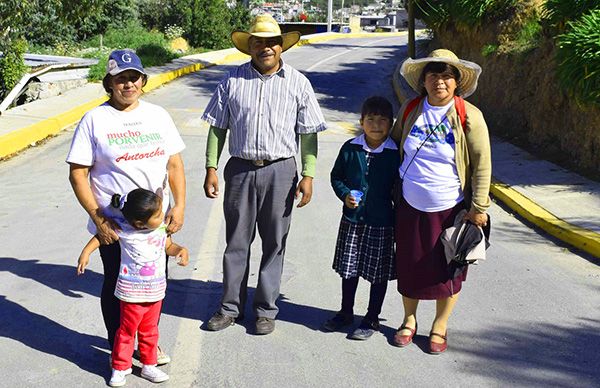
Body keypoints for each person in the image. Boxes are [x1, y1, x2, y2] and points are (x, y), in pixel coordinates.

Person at [202, 13, 326, 335]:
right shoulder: (232, 81)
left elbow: (308, 134)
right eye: (259, 42)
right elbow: (218, 129)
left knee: (274, 243)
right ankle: (230, 308)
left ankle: (266, 310)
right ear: (250, 47)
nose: (266, 48)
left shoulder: (298, 83)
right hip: (241, 170)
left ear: (281, 47)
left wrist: (308, 174)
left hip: (281, 171)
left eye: (272, 42)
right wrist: (211, 167)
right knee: (236, 242)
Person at [67, 49, 186, 363]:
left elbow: (174, 164)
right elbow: (77, 173)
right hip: (115, 225)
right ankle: (118, 344)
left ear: (143, 80)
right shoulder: (94, 120)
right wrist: (98, 218)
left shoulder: (158, 115)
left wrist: (180, 205)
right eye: (121, 78)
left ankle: (147, 344)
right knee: (116, 285)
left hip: (153, 223)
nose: (128, 84)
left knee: (152, 283)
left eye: (134, 77)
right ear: (110, 82)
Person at [390, 49, 491, 354]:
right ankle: (409, 319)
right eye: (433, 74)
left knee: (450, 269)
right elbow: (394, 146)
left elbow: (482, 162)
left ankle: (440, 324)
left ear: (457, 81)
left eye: (447, 74)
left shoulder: (469, 115)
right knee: (409, 266)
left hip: (451, 208)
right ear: (423, 80)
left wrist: (479, 207)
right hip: (409, 203)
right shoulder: (410, 109)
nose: (440, 81)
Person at [77, 188, 189, 386]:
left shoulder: (161, 229)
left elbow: (168, 246)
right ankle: (121, 367)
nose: (161, 215)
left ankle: (149, 365)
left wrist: (180, 250)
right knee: (126, 331)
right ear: (139, 222)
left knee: (150, 331)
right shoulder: (124, 229)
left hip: (155, 292)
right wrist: (86, 253)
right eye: (156, 214)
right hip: (130, 293)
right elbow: (99, 238)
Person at [324, 96, 400, 340]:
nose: (375, 125)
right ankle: (346, 311)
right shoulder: (351, 148)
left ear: (391, 123)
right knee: (350, 268)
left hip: (381, 222)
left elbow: (401, 186)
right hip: (353, 221)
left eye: (382, 120)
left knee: (377, 272)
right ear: (361, 122)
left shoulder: (395, 153)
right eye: (370, 120)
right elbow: (337, 177)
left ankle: (372, 318)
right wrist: (345, 195)